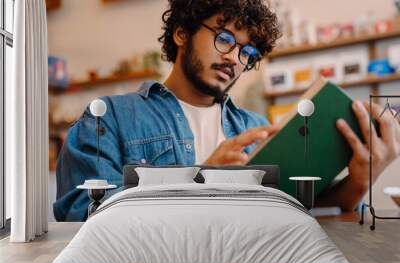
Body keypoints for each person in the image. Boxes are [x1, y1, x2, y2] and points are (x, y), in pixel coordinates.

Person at [54, 0, 400, 222]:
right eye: (225, 39)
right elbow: (81, 215)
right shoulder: (109, 118)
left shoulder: (258, 128)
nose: (235, 59)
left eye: (247, 53)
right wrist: (200, 180)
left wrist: (357, 181)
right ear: (181, 33)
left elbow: (299, 213)